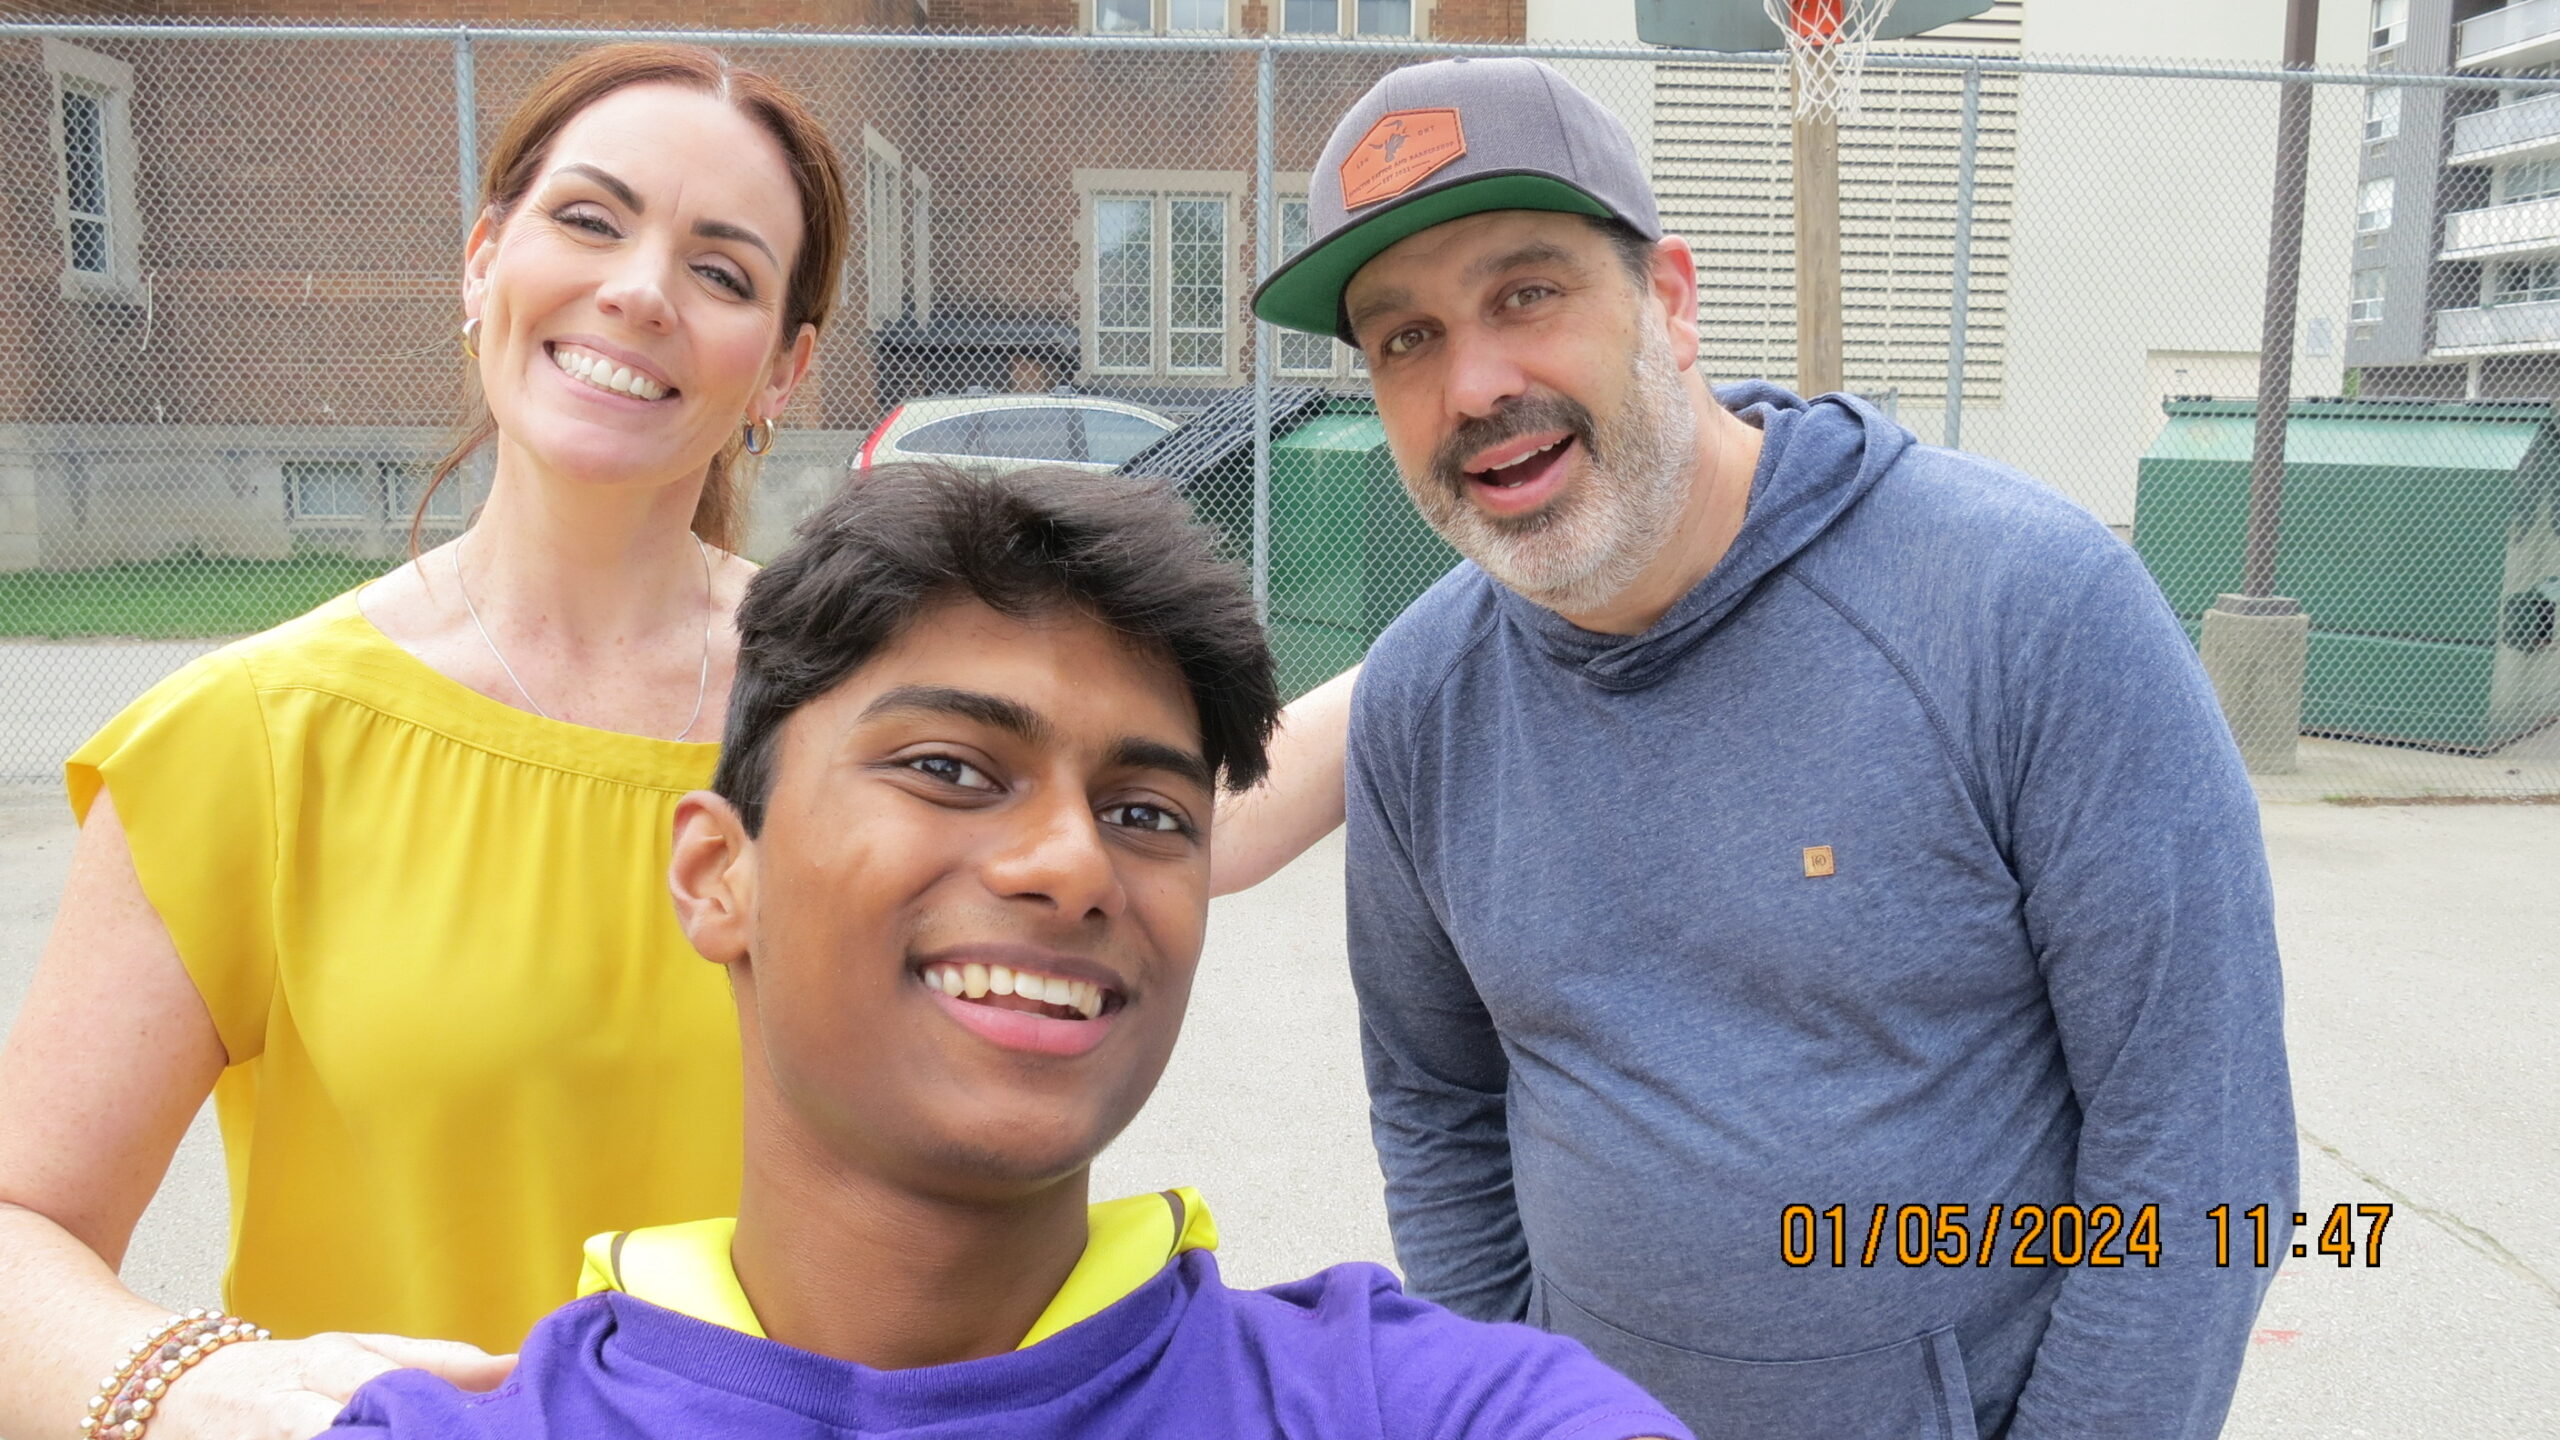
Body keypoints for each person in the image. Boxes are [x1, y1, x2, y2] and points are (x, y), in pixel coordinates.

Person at [0, 43, 1348, 1440]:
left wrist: (1484, 622)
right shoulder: (252, 743)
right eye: (589, 219)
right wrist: (176, 1384)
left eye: (722, 270)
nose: (638, 291)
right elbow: (21, 1222)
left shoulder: (883, 721)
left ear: (785, 363)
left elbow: (1175, 828)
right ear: (482, 261)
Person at [1250, 58, 2297, 1440]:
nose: (1474, 384)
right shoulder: (1422, 702)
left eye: (1526, 293)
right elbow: (1438, 1108)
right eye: (1405, 340)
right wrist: (1515, 1403)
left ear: (1670, 300)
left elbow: (2204, 1155)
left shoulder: (2024, 608)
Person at [299, 461, 1689, 1440]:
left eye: (1146, 811)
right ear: (719, 876)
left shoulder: (1400, 1403)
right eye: (955, 770)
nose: (1073, 866)